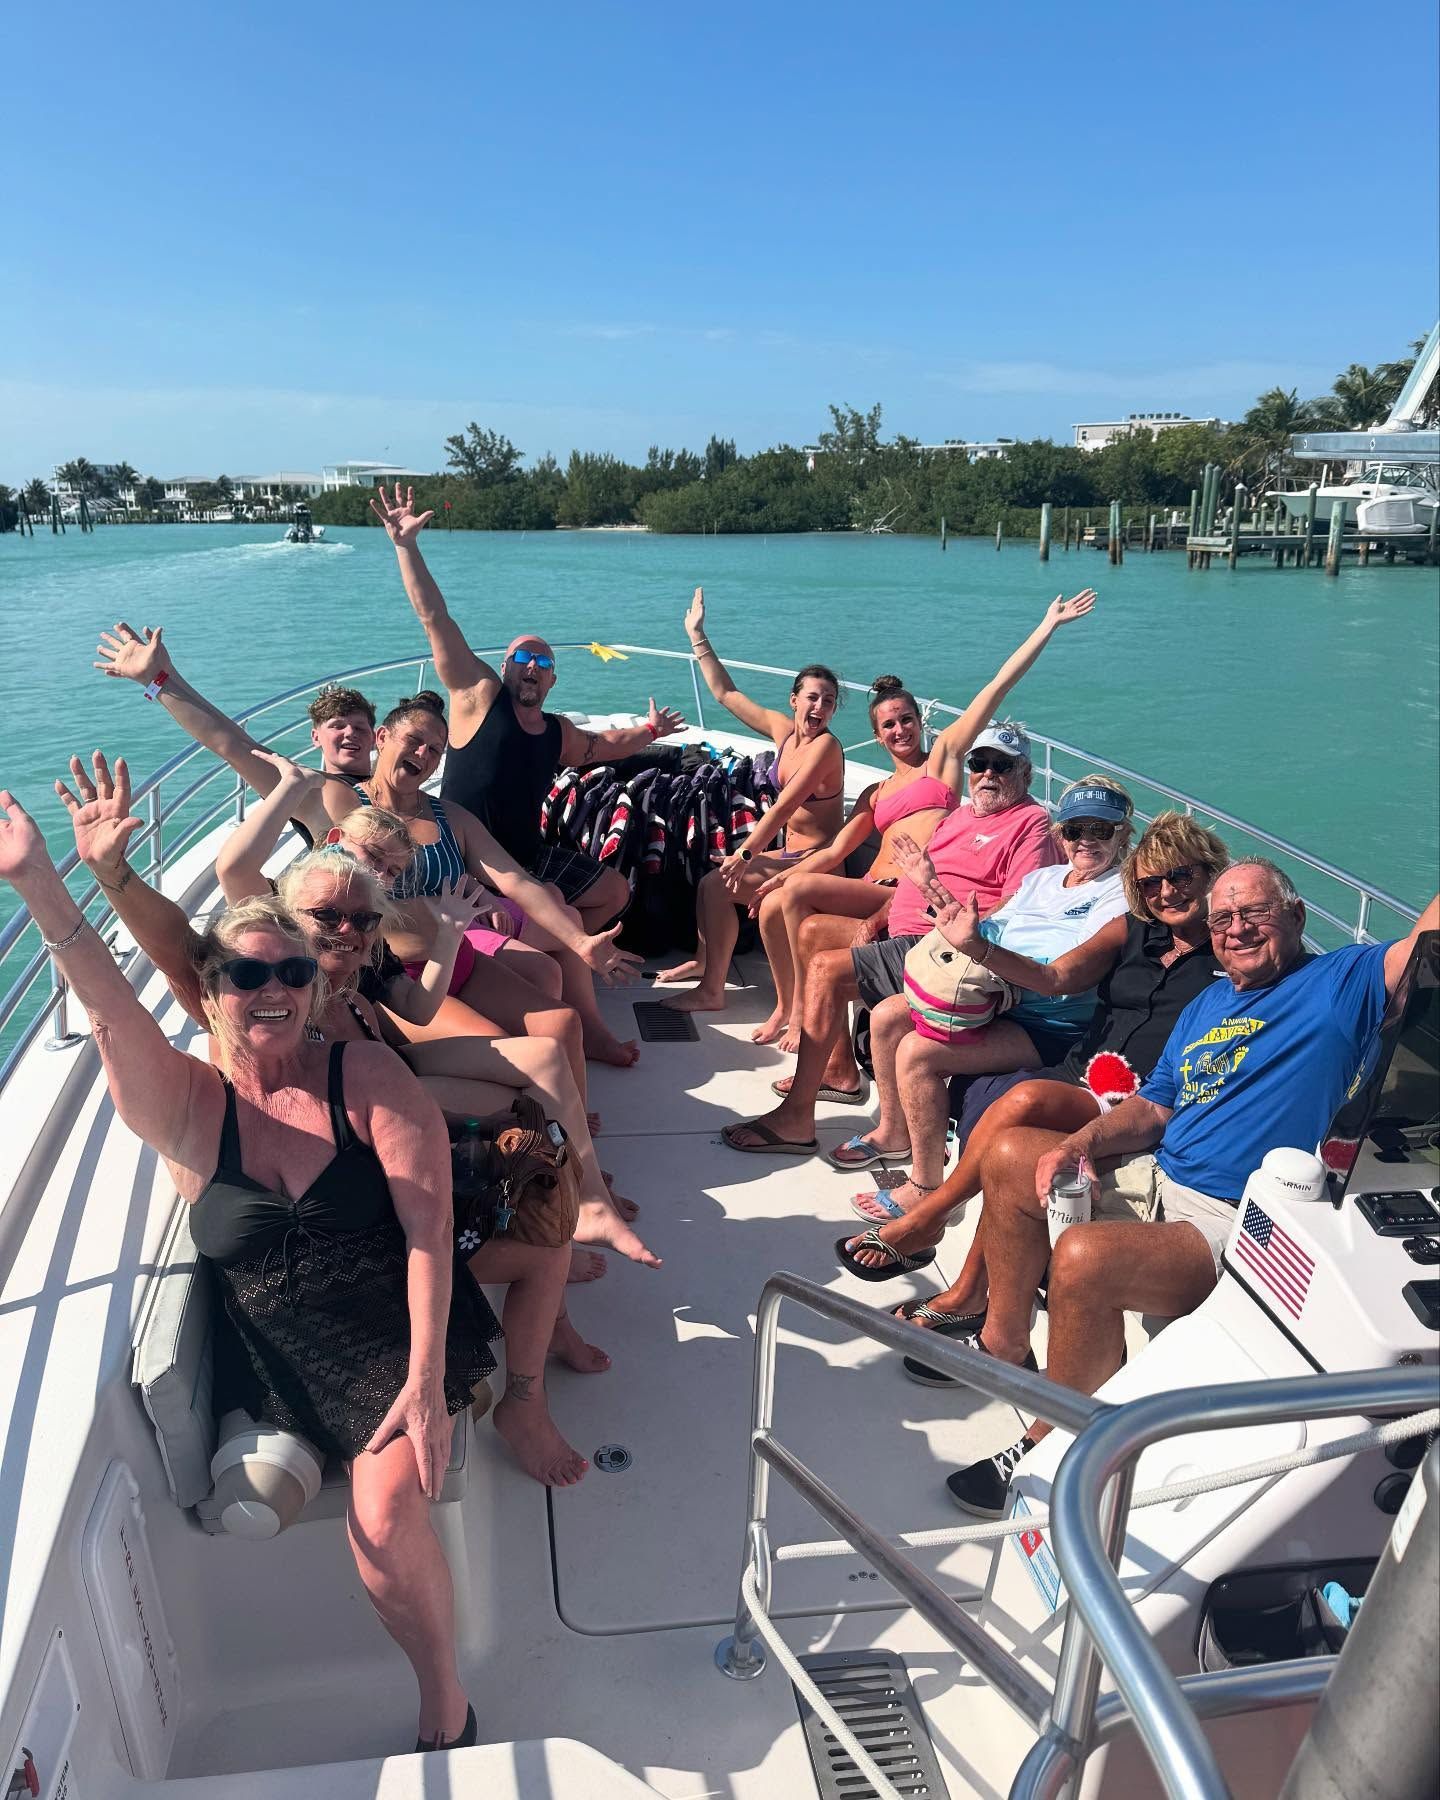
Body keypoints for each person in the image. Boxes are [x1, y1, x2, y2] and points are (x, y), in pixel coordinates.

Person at [0, 786, 494, 1752]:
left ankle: (445, 1698)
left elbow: (430, 1237)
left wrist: (429, 1384)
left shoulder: (370, 1079)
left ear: (315, 984)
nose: (271, 988)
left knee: (383, 1518)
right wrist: (39, 883)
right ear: (213, 985)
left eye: (293, 970)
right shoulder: (188, 1107)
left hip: (399, 1334)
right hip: (271, 1353)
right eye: (245, 972)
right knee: (270, 1497)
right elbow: (108, 1006)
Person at [941, 859, 1439, 1518]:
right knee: (1011, 1154)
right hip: (1158, 1172)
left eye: (1254, 913)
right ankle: (1006, 1341)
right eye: (1223, 919)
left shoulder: (1344, 980)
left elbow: (1427, 940)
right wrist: (1081, 1143)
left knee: (1085, 1261)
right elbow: (1155, 1107)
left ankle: (1053, 1444)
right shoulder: (1208, 1002)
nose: (1236, 930)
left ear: (1296, 917)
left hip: (1235, 1218)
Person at [63, 749, 659, 1289]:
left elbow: (417, 1008)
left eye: (375, 894)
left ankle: (589, 1197)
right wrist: (116, 874)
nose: (346, 925)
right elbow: (189, 928)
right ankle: (547, 1239)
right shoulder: (276, 952)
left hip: (389, 1058)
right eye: (330, 913)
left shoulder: (365, 937)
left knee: (549, 1055)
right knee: (518, 1108)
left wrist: (448, 937)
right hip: (358, 1101)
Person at [839, 814, 1230, 1292]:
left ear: (1212, 874)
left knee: (1023, 1101)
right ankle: (967, 1291)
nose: (1167, 892)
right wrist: (977, 947)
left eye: (1181, 876)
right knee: (1010, 1147)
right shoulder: (1130, 929)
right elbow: (1055, 979)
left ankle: (934, 1218)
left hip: (1138, 1096)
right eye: (1151, 882)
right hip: (1080, 1069)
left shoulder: (1230, 956)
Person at [751, 593, 1098, 1054]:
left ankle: (798, 1016)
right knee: (780, 899)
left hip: (905, 890)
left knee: (794, 893)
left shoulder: (943, 761)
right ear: (877, 735)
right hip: (877, 887)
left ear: (920, 722)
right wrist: (772, 877)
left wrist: (1047, 626)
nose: (900, 731)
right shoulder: (876, 793)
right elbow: (834, 853)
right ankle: (791, 1007)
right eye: (889, 725)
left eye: (906, 720)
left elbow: (995, 690)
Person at [721, 713, 1065, 1156]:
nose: (988, 775)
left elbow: (1018, 906)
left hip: (949, 950)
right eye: (980, 763)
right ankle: (841, 1068)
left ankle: (795, 1118)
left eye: (1003, 765)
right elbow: (912, 883)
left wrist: (942, 908)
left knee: (827, 969)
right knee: (813, 933)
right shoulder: (961, 818)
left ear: (1027, 774)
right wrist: (875, 919)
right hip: (907, 935)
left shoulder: (1030, 824)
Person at [833, 777, 1133, 1257]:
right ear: (1061, 834)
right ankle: (894, 1133)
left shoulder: (1119, 898)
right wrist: (928, 881)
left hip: (1049, 1025)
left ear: (1124, 833)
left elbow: (1060, 978)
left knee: (918, 1052)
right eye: (1076, 829)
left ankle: (930, 1192)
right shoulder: (1041, 881)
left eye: (1101, 828)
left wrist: (979, 946)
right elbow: (976, 929)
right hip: (993, 999)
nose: (1087, 841)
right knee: (889, 1016)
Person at [369, 484, 686, 928]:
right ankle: (536, 939)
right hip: (467, 860)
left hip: (526, 857)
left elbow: (607, 744)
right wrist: (406, 548)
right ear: (506, 668)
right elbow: (435, 618)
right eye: (522, 658)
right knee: (550, 902)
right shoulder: (478, 696)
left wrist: (651, 732)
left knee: (614, 892)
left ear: (552, 678)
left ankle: (537, 937)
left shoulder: (558, 733)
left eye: (542, 661)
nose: (531, 666)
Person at [318, 691, 645, 1071]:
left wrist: (581, 943)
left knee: (553, 999)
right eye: (414, 741)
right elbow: (245, 758)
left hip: (455, 951)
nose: (423, 754)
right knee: (509, 1049)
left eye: (435, 749)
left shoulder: (451, 817)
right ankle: (529, 1095)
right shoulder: (344, 804)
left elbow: (516, 881)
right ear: (383, 738)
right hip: (388, 973)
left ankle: (559, 1099)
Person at [655, 587, 846, 1013]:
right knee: (710, 881)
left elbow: (781, 809)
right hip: (789, 853)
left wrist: (743, 853)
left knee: (721, 881)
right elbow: (727, 694)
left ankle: (713, 990)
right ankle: (707, 968)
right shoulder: (784, 731)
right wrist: (696, 636)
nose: (819, 707)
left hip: (819, 861)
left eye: (829, 702)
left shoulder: (825, 748)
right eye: (812, 698)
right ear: (794, 700)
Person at [94, 622, 371, 839]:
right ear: (315, 738)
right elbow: (233, 746)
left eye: (360, 727)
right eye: (337, 726)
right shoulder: (307, 789)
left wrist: (166, 675)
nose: (350, 733)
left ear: (377, 737)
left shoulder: (392, 783)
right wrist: (159, 680)